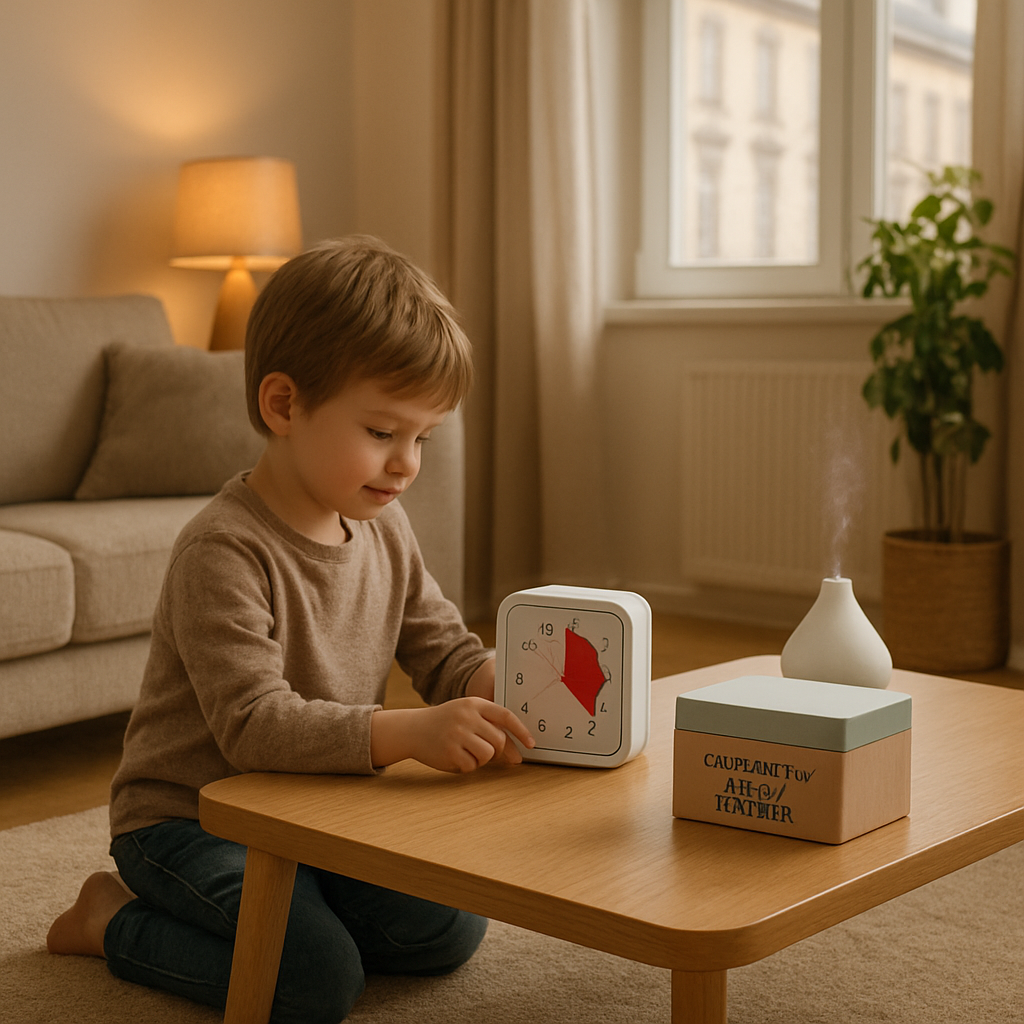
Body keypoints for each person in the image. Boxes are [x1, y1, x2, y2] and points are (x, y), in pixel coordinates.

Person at [46, 236, 535, 1024]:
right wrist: (408, 734)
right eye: (382, 432)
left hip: (316, 809)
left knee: (450, 925)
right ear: (284, 406)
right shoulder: (223, 550)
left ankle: (301, 907)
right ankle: (109, 920)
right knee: (313, 983)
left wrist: (510, 689)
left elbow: (443, 648)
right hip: (193, 815)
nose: (407, 463)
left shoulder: (385, 525)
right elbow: (252, 727)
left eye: (423, 438)